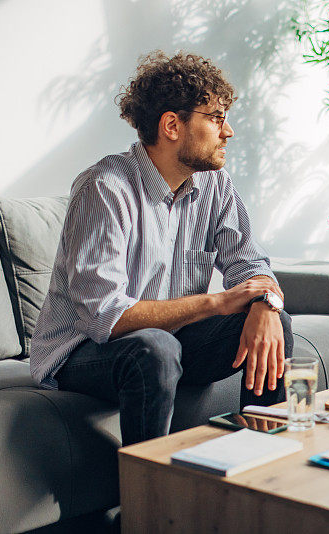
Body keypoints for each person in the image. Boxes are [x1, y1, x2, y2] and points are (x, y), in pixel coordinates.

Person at [31, 51, 292, 446]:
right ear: (172, 125)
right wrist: (216, 302)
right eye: (216, 118)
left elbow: (251, 263)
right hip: (83, 353)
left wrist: (265, 305)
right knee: (155, 347)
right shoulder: (104, 189)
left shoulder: (215, 185)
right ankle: (148, 497)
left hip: (169, 340)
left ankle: (262, 467)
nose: (229, 132)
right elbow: (107, 317)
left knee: (275, 324)